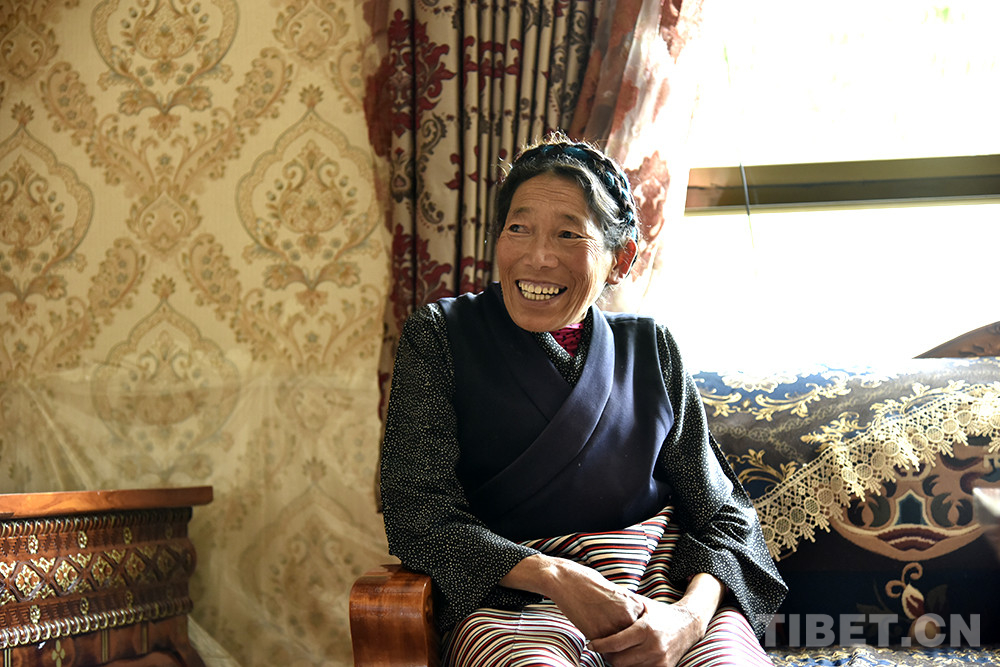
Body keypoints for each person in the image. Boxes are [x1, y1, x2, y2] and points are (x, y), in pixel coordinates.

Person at [380, 133, 786, 666]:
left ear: (622, 258)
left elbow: (724, 516)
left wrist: (688, 618)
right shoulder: (440, 338)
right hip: (514, 603)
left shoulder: (653, 348)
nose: (537, 257)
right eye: (518, 228)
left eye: (569, 234)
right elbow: (417, 515)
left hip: (659, 594)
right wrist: (557, 576)